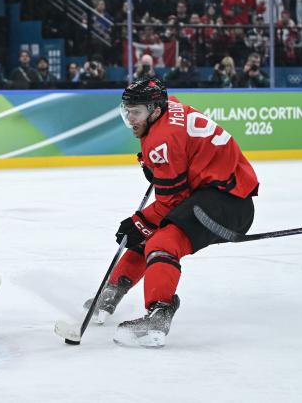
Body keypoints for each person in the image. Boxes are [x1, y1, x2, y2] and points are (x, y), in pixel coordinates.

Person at [85, 78, 258, 347]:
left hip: (228, 204)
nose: (130, 118)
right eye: (127, 111)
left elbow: (170, 202)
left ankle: (159, 314)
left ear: (155, 110)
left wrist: (138, 221)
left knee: (162, 240)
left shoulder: (162, 139)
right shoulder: (167, 108)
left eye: (136, 112)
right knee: (147, 232)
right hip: (213, 191)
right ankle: (112, 291)